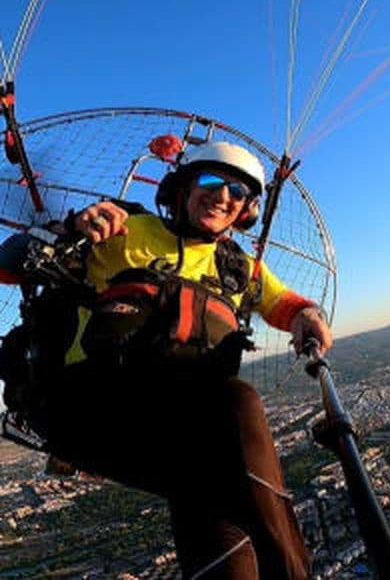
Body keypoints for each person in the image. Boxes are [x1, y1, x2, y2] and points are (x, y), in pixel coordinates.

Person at [4, 141, 332, 579]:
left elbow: (282, 302)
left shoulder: (237, 268)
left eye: (237, 192)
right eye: (212, 181)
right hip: (94, 410)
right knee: (237, 404)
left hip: (179, 429)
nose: (223, 197)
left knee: (211, 494)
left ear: (247, 210)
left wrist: (307, 315)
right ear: (183, 188)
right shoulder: (124, 230)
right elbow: (9, 266)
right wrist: (70, 229)